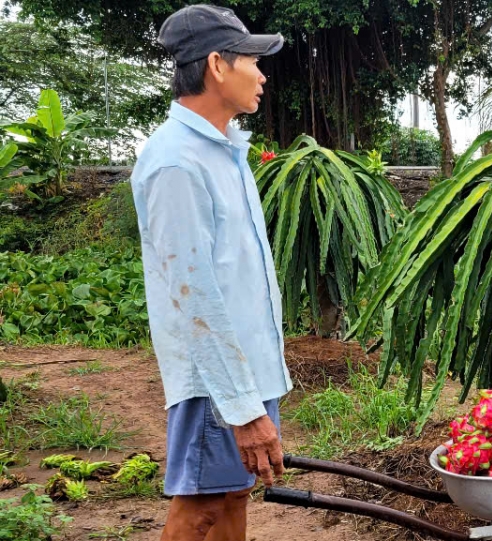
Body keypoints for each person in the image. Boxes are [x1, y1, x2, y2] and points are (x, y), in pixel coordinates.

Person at [129, 5, 293, 540]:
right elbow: (192, 293)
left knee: (229, 497)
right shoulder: (177, 161)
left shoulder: (225, 152)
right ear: (218, 65)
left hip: (240, 367)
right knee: (200, 506)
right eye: (254, 61)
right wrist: (241, 408)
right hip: (215, 378)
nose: (263, 75)